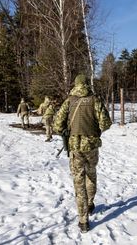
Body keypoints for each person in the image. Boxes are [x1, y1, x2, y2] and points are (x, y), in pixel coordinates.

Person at [53, 74, 111, 233]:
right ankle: (90, 203)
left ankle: (83, 220)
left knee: (79, 180)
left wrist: (66, 130)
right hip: (91, 146)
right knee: (91, 174)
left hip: (75, 147)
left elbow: (57, 125)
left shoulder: (69, 101)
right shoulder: (95, 100)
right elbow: (106, 123)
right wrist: (96, 131)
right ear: (86, 84)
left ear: (76, 84)